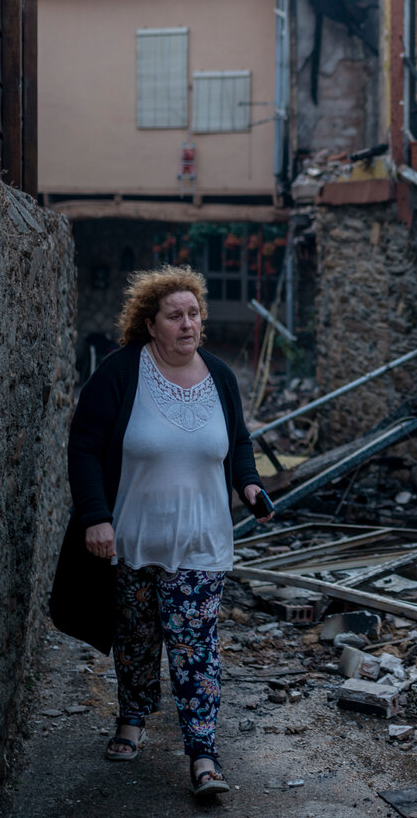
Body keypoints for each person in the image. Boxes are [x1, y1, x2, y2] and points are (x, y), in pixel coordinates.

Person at [65, 266, 269, 797]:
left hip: (201, 541)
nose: (187, 324)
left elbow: (240, 443)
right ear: (150, 324)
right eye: (174, 316)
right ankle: (132, 715)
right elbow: (85, 446)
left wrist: (249, 486)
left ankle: (203, 754)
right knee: (134, 640)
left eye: (194, 314)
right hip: (132, 538)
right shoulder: (120, 373)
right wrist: (95, 516)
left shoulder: (221, 376)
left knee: (194, 647)